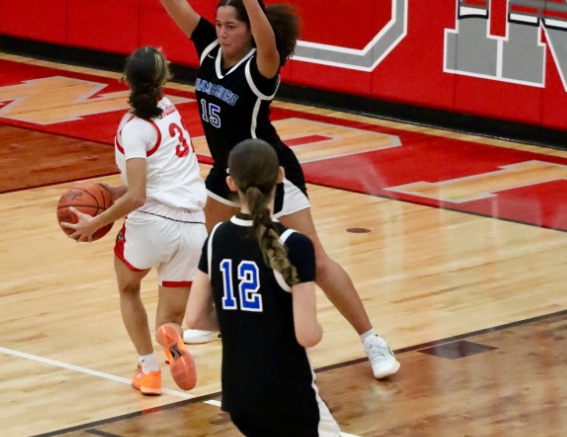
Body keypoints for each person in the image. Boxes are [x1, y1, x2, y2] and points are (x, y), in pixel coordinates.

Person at [158, 0, 400, 379]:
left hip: (270, 171)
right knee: (214, 248)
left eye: (231, 26)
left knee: (316, 259)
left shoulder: (261, 66)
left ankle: (372, 340)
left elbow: (266, 39)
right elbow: (175, 6)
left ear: (250, 30)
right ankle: (220, 317)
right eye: (218, 24)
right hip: (227, 171)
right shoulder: (209, 47)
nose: (221, 32)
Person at [184, 139, 355, 437]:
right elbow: (307, 335)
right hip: (288, 392)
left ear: (230, 182)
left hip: (239, 393)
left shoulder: (216, 237)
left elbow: (194, 320)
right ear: (279, 176)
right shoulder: (294, 245)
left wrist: (242, 318)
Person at [61, 46, 202, 395]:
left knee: (128, 287)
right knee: (169, 319)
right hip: (193, 227)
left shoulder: (134, 128)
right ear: (165, 78)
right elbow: (156, 177)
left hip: (153, 222)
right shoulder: (171, 111)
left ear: (125, 79)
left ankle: (149, 371)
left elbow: (138, 196)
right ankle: (172, 340)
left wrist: (96, 222)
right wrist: (112, 190)